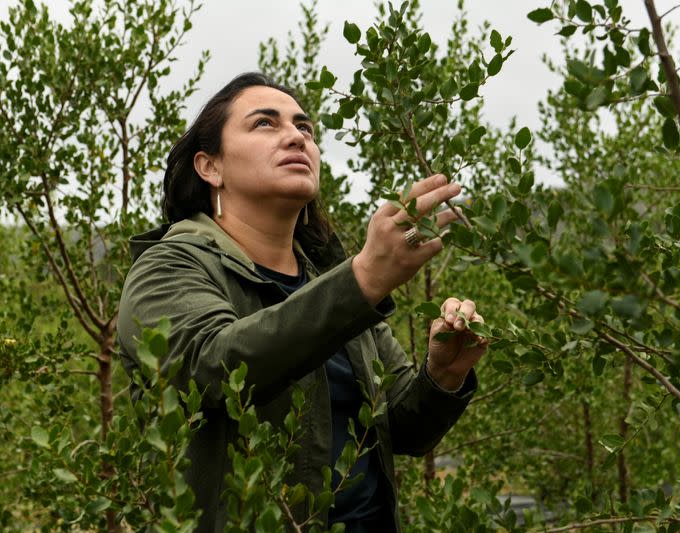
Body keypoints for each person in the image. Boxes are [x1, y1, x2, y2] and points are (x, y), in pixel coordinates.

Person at [117, 72, 488, 532]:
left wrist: (443, 375)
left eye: (305, 129)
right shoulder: (169, 268)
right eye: (264, 124)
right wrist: (365, 278)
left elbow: (401, 429)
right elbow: (216, 371)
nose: (296, 136)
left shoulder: (328, 282)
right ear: (210, 167)